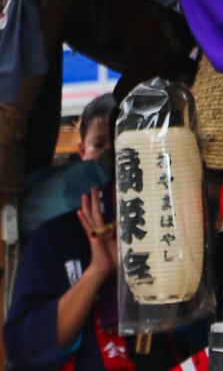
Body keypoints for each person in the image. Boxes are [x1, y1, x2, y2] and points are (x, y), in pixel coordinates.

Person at [3, 96, 149, 371]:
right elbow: (25, 347)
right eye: (105, 149)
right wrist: (96, 272)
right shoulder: (56, 237)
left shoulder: (176, 229)